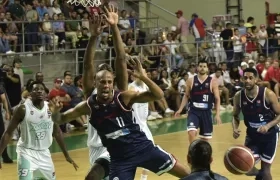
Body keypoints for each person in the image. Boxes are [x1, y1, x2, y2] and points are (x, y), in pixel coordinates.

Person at [49, 55, 190, 180]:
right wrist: (55, 112)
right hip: (120, 159)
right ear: (96, 83)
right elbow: (60, 119)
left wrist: (143, 77)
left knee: (187, 175)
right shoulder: (88, 105)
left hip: (142, 148)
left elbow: (159, 95)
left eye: (109, 82)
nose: (106, 85)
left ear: (113, 83)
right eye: (102, 82)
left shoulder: (123, 96)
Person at [82, 6, 129, 180]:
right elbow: (87, 65)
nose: (105, 82)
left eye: (109, 78)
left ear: (113, 81)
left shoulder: (120, 93)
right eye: (101, 77)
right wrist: (93, 36)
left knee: (92, 177)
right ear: (96, 81)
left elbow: (121, 58)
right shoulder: (91, 93)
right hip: (95, 148)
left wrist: (115, 27)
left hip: (115, 146)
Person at [0, 81, 78, 179]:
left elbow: (57, 132)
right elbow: (8, 132)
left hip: (44, 153)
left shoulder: (50, 108)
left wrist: (66, 155)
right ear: (30, 94)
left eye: (41, 89)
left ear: (45, 93)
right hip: (26, 152)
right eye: (35, 89)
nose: (39, 91)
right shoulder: (23, 109)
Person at [232, 68, 280, 180]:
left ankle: (263, 174)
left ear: (256, 79)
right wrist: (235, 128)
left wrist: (267, 126)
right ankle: (260, 175)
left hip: (270, 136)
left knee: (266, 170)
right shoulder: (238, 96)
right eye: (245, 78)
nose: (247, 80)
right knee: (245, 167)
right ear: (242, 79)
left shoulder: (268, 94)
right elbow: (235, 115)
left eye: (250, 78)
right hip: (252, 137)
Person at [175, 60, 222, 143]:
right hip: (194, 111)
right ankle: (192, 151)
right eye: (200, 66)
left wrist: (217, 114)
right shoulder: (190, 80)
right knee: (191, 132)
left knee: (205, 140)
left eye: (204, 66)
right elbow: (186, 96)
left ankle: (201, 152)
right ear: (197, 68)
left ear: (207, 68)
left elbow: (217, 99)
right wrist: (180, 109)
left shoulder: (213, 81)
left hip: (206, 112)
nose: (202, 68)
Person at [128, 68, 154, 180]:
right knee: (132, 155)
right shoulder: (132, 87)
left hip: (143, 124)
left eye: (142, 72)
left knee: (151, 150)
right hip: (134, 125)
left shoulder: (145, 86)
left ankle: (143, 178)